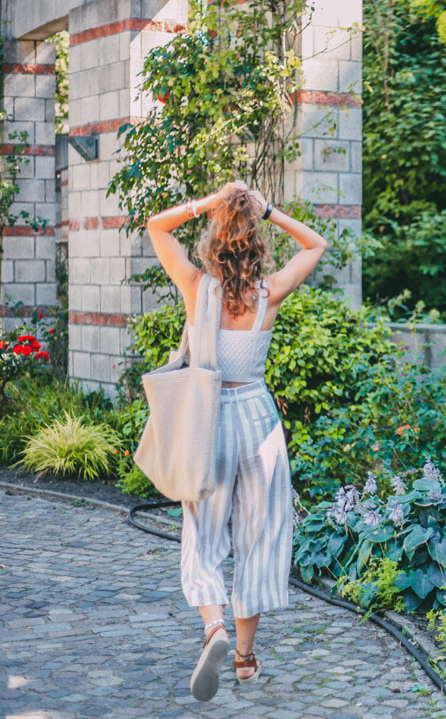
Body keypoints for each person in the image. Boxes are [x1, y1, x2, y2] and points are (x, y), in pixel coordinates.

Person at [145, 180, 328, 700]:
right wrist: (266, 209)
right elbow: (317, 244)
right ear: (256, 243)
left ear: (215, 242)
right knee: (260, 537)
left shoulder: (194, 286)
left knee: (202, 533)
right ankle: (245, 658)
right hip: (259, 422)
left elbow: (156, 226)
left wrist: (211, 202)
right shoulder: (267, 294)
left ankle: (214, 627)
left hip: (209, 420)